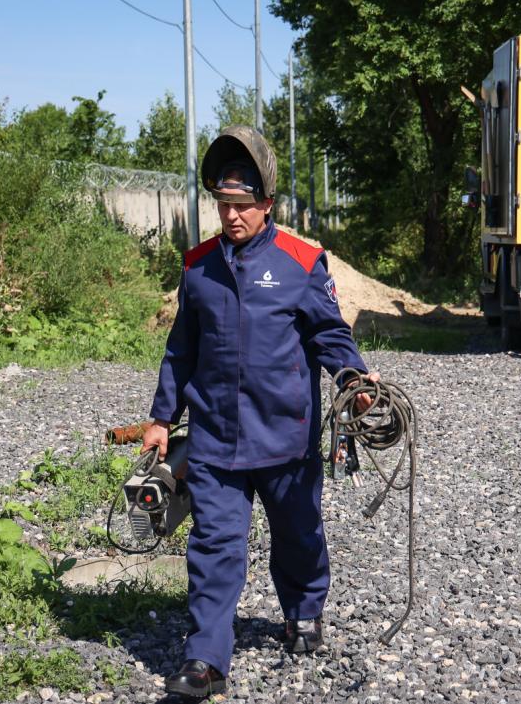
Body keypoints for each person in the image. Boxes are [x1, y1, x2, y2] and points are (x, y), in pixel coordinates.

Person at [142, 125, 378, 699]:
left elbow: (329, 336)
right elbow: (181, 349)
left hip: (286, 439)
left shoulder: (302, 262)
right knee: (214, 544)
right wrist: (160, 417)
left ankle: (302, 611)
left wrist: (351, 377)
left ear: (266, 204)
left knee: (298, 534)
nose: (231, 216)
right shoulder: (199, 267)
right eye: (223, 205)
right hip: (217, 439)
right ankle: (205, 660)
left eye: (242, 206)